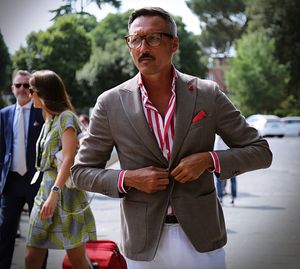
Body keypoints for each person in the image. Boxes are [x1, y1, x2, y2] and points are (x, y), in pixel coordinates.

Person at [71, 7, 273, 269]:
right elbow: (81, 172)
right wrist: (129, 178)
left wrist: (208, 160)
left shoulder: (206, 94)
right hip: (143, 244)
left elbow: (261, 151)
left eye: (153, 38)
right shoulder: (110, 103)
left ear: (174, 43)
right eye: (135, 39)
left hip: (201, 239)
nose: (143, 47)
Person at [25, 70, 96, 269]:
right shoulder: (48, 119)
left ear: (43, 92)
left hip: (64, 194)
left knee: (77, 259)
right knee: (31, 255)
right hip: (44, 191)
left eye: (32, 90)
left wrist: (54, 193)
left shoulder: (66, 118)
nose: (29, 94)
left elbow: (68, 158)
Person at [0, 70, 45, 269]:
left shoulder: (42, 112)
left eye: (27, 85)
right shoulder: (4, 114)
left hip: (36, 181)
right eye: (18, 85)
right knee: (4, 232)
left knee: (39, 234)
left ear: (32, 89)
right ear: (12, 88)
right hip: (11, 182)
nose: (22, 89)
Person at [214, 135, 237, 204]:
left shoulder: (217, 137)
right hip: (231, 159)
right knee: (233, 180)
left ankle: (220, 198)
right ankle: (233, 198)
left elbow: (215, 149)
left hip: (220, 160)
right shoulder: (231, 135)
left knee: (219, 180)